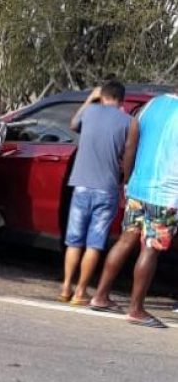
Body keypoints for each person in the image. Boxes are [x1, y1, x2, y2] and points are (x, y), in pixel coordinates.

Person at [90, 90, 178, 328]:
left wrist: (127, 182)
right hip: (166, 195)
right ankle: (136, 309)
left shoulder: (150, 106)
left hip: (138, 188)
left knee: (125, 240)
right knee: (150, 249)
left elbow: (130, 146)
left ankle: (100, 295)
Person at [58, 79, 133, 305]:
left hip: (81, 185)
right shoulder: (129, 122)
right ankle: (81, 292)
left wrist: (91, 98)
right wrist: (126, 180)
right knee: (94, 243)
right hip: (106, 188)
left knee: (74, 241)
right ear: (122, 100)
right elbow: (128, 156)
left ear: (103, 96)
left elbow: (73, 124)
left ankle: (65, 287)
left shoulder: (89, 112)